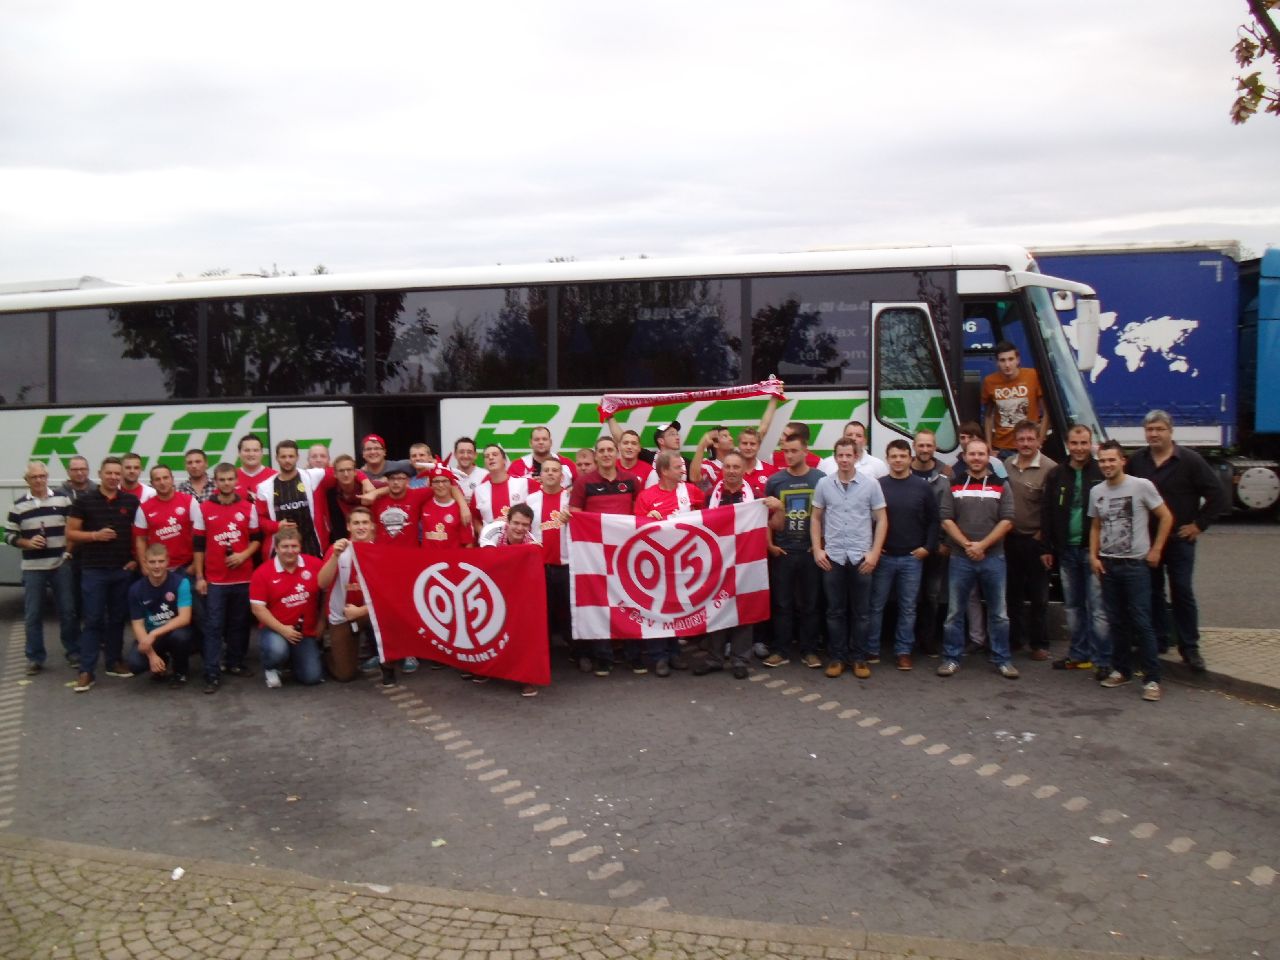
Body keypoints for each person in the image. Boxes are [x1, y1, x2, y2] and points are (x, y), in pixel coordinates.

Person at [1126, 409, 1227, 673]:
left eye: (1159, 429)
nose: (1154, 434)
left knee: (1182, 591)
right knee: (1153, 592)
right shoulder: (1137, 461)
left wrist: (1198, 525)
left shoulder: (1190, 461)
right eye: (1149, 430)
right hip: (1147, 540)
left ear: (1171, 431)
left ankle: (1190, 647)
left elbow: (1218, 496)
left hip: (1179, 540)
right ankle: (1159, 641)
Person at [1089, 440, 1174, 701]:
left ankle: (1152, 680)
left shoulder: (1141, 486)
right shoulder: (1097, 491)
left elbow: (1166, 516)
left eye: (1111, 460)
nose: (1107, 465)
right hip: (1109, 565)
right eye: (1102, 460)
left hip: (1135, 565)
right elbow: (1096, 526)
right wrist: (1093, 556)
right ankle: (1121, 670)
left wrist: (1157, 549)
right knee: (1117, 622)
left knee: (1141, 622)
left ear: (1122, 460)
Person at [691, 450, 779, 680]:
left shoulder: (757, 495)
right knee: (716, 608)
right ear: (722, 469)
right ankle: (715, 658)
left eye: (736, 467)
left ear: (743, 470)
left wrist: (779, 508)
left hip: (745, 561)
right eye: (727, 466)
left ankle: (740, 659)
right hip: (718, 561)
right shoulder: (711, 495)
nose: (731, 471)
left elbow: (777, 525)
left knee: (744, 611)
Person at [937, 438, 1019, 680]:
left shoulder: (1001, 484)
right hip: (961, 558)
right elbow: (946, 519)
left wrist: (982, 545)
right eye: (972, 454)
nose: (976, 458)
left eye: (981, 454)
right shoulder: (953, 484)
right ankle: (952, 658)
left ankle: (1002, 660)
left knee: (999, 613)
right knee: (954, 612)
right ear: (964, 456)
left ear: (988, 457)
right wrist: (967, 545)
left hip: (993, 558)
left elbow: (1008, 520)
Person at [811, 438, 887, 679]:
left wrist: (874, 553)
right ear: (835, 458)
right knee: (834, 611)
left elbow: (882, 520)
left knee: (862, 612)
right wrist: (817, 549)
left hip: (861, 557)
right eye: (840, 455)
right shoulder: (824, 484)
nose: (844, 460)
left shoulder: (871, 484)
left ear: (856, 456)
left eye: (848, 455)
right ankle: (837, 657)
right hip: (833, 557)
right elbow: (815, 518)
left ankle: (859, 658)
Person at [66, 457, 141, 692]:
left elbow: (138, 534)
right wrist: (95, 536)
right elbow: (70, 533)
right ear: (100, 473)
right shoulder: (84, 501)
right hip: (94, 570)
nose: (113, 477)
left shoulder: (130, 501)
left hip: (121, 570)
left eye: (117, 474)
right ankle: (87, 670)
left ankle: (113, 662)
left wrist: (135, 559)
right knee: (93, 620)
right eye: (109, 473)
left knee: (117, 619)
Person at [569, 435, 643, 676]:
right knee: (600, 605)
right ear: (596, 454)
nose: (607, 454)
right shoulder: (583, 483)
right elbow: (575, 514)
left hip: (626, 555)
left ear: (617, 452)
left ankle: (634, 656)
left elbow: (639, 512)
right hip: (596, 556)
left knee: (630, 602)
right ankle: (604, 658)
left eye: (611, 449)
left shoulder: (631, 480)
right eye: (602, 450)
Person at [192, 462, 263, 694]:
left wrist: (243, 555)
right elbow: (199, 545)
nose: (226, 483)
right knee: (213, 626)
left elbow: (256, 540)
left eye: (230, 479)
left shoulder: (247, 507)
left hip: (243, 578)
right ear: (216, 481)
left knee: (239, 624)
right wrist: (200, 576)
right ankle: (211, 672)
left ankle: (235, 662)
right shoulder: (204, 508)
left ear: (236, 481)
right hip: (216, 580)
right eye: (221, 480)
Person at [633, 451, 706, 676]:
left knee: (675, 607)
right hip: (655, 564)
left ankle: (674, 653)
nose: (682, 470)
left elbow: (708, 518)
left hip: (682, 562)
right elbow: (634, 528)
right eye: (677, 467)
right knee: (656, 609)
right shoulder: (646, 497)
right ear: (664, 471)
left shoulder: (691, 491)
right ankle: (659, 656)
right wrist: (647, 521)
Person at [868, 439, 938, 672]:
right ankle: (872, 648)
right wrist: (875, 547)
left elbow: (933, 521)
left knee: (908, 607)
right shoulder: (877, 486)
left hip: (912, 558)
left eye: (902, 456)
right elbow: (868, 520)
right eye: (893, 456)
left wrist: (927, 547)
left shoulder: (922, 487)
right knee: (876, 605)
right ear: (887, 459)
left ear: (910, 458)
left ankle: (903, 651)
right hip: (884, 557)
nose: (898, 460)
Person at [1042, 424, 1107, 673]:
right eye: (1075, 443)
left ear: (1090, 444)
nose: (1079, 448)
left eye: (1084, 443)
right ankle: (1079, 654)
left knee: (1098, 608)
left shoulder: (1101, 471)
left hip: (1093, 552)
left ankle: (1102, 659)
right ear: (1068, 445)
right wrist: (1047, 547)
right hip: (1066, 551)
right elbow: (1047, 512)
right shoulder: (1057, 474)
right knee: (1073, 607)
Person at [5, 461, 78, 674]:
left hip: (60, 564)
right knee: (33, 614)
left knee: (68, 611)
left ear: (47, 477)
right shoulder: (18, 506)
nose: (38, 480)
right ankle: (35, 657)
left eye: (42, 476)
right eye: (33, 477)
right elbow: (8, 535)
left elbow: (72, 528)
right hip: (33, 567)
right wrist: (26, 543)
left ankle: (73, 651)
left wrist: (68, 552)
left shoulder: (63, 500)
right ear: (26, 480)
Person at [762, 431, 826, 669]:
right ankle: (781, 649)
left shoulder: (820, 479)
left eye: (793, 451)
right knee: (782, 603)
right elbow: (769, 520)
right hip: (784, 551)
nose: (788, 455)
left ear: (805, 452)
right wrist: (771, 544)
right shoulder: (775, 481)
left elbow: (827, 516)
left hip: (810, 551)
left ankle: (809, 650)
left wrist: (821, 545)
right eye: (785, 451)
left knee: (810, 604)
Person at [1003, 420, 1057, 659]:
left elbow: (1052, 508)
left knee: (1039, 596)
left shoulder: (1050, 468)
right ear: (1015, 442)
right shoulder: (1007, 465)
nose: (1025, 444)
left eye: (1030, 439)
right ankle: (1015, 640)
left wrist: (1043, 537)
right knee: (1012, 594)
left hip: (1036, 540)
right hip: (1010, 539)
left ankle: (1039, 644)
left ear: (1039, 440)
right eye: (1021, 439)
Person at [250, 528, 324, 689]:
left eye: (294, 546)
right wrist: (283, 630)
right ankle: (271, 667)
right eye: (285, 547)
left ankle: (293, 660)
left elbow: (328, 591)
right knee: (277, 650)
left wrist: (322, 622)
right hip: (275, 629)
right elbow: (258, 609)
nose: (290, 551)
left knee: (312, 677)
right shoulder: (262, 573)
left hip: (304, 632)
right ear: (276, 548)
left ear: (300, 547)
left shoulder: (314, 564)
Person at [318, 507, 377, 683]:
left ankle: (390, 660)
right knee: (345, 675)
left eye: (365, 522)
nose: (361, 527)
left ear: (372, 526)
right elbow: (322, 583)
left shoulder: (379, 551)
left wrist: (362, 611)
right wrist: (334, 557)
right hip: (342, 616)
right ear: (348, 526)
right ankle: (329, 653)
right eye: (356, 523)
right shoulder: (339, 549)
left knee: (394, 617)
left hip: (368, 612)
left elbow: (388, 596)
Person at [125, 543, 194, 687]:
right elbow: (137, 625)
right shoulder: (135, 590)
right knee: (134, 664)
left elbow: (184, 618)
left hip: (173, 632)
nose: (157, 566)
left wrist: (154, 633)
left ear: (167, 561)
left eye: (161, 561)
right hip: (151, 636)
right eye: (152, 562)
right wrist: (151, 656)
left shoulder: (181, 583)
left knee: (181, 637)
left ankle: (180, 672)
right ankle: (161, 660)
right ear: (145, 563)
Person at [911, 429, 953, 657]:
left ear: (934, 448)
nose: (925, 450)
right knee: (909, 596)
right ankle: (906, 641)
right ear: (914, 447)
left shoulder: (944, 477)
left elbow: (947, 514)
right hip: (909, 547)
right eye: (921, 445)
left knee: (932, 595)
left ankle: (927, 641)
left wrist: (944, 542)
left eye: (929, 446)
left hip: (936, 547)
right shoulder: (903, 472)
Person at [527, 460, 572, 667]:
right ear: (540, 476)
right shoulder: (531, 500)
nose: (551, 474)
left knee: (569, 611)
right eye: (547, 470)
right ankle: (541, 656)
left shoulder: (570, 499)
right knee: (541, 613)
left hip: (566, 565)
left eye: (555, 470)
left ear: (562, 476)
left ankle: (577, 652)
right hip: (540, 567)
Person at [255, 439, 335, 557]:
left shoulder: (311, 476)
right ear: (277, 458)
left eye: (291, 456)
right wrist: (276, 526)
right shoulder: (264, 488)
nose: (287, 460)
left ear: (297, 457)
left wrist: (365, 482)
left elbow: (343, 470)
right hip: (282, 549)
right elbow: (261, 520)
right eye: (283, 457)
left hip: (311, 546)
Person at [982, 341, 1045, 459]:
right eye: (1002, 360)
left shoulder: (1033, 376)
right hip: (1001, 447)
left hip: (1029, 443)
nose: (1007, 364)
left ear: (1018, 360)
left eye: (1011, 359)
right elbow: (988, 416)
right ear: (997, 363)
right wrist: (989, 446)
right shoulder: (989, 381)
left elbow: (1047, 413)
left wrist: (1039, 441)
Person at [132, 465, 195, 573]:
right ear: (152, 483)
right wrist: (144, 566)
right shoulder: (144, 508)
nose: (162, 482)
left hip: (186, 567)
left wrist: (195, 565)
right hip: (158, 568)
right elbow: (141, 540)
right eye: (157, 479)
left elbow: (201, 535)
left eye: (165, 478)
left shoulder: (189, 501)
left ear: (172, 479)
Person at [470, 444, 528, 532]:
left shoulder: (524, 483)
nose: (490, 457)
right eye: (487, 456)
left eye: (495, 454)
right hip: (491, 544)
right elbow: (475, 518)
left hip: (520, 544)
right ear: (485, 464)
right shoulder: (479, 491)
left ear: (504, 460)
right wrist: (484, 535)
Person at [371, 464, 427, 548]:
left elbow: (444, 487)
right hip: (383, 554)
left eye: (400, 478)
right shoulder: (378, 499)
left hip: (409, 555)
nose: (395, 482)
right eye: (392, 478)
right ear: (387, 481)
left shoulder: (417, 495)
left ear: (408, 481)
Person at [420, 466, 476, 550]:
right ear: (431, 485)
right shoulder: (423, 504)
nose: (440, 485)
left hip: (451, 561)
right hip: (428, 560)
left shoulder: (461, 510)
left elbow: (468, 544)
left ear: (451, 483)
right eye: (436, 481)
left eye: (444, 481)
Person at [508, 426, 578, 489]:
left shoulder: (567, 464)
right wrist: (530, 484)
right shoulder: (517, 466)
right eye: (537, 439)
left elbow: (579, 487)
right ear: (530, 443)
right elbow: (510, 490)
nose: (541, 442)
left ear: (550, 442)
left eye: (544, 439)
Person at [817, 421, 888, 479]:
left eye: (858, 436)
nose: (853, 438)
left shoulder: (878, 465)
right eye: (849, 435)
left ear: (865, 441)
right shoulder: (826, 464)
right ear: (843, 437)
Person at [234, 433, 276, 501]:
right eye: (247, 450)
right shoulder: (229, 478)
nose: (251, 454)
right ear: (239, 453)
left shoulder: (274, 477)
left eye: (255, 450)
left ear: (262, 453)